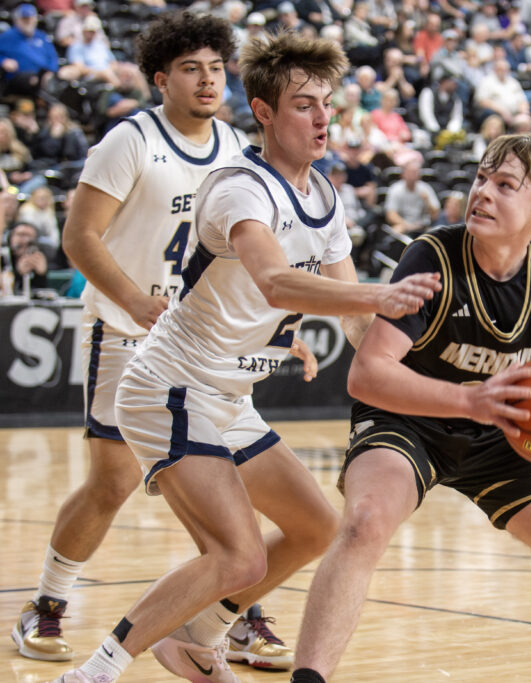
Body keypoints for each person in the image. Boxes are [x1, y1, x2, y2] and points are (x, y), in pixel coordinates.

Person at [51, 29, 441, 683]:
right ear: (263, 111)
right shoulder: (241, 186)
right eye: (303, 105)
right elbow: (276, 280)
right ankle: (94, 670)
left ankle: (198, 640)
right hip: (169, 386)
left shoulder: (323, 196)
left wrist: (426, 368)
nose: (322, 119)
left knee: (317, 525)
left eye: (326, 104)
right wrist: (384, 293)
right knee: (238, 557)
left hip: (228, 398)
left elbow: (350, 317)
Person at [290, 134, 531, 683]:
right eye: (480, 179)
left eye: (504, 185)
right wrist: (470, 399)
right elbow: (369, 374)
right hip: (408, 421)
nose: (483, 194)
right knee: (365, 523)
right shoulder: (433, 255)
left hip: (497, 434)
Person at [14, 10, 273, 670]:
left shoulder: (236, 150)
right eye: (191, 69)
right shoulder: (129, 140)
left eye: (217, 68)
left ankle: (237, 613)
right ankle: (47, 600)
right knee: (114, 481)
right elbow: (79, 237)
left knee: (214, 473)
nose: (208, 80)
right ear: (162, 79)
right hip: (125, 330)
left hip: (199, 341)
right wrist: (133, 299)